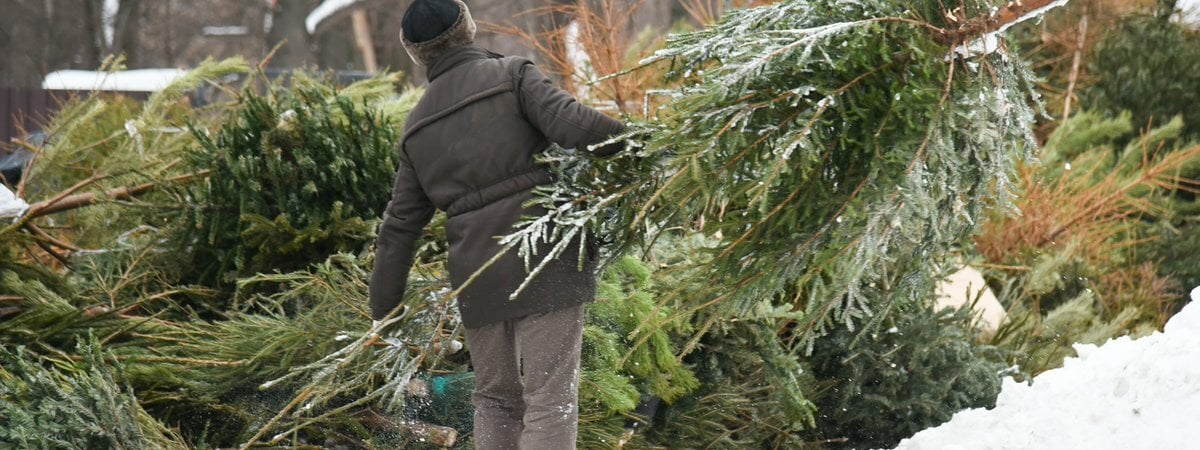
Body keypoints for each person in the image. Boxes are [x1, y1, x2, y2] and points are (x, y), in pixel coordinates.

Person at [368, 0, 626, 448]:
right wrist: (644, 145)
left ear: (415, 52)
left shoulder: (415, 128)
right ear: (468, 28)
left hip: (478, 279)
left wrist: (383, 314)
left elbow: (398, 232)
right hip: (544, 255)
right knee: (549, 399)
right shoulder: (511, 76)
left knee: (496, 401)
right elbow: (580, 129)